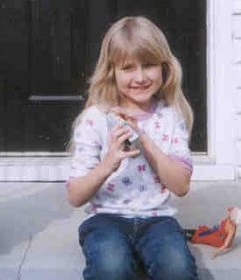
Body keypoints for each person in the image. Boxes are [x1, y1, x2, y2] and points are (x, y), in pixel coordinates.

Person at [67, 16, 198, 280]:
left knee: (178, 270)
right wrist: (109, 163)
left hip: (158, 219)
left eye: (148, 65)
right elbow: (75, 196)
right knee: (111, 269)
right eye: (128, 68)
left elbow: (181, 186)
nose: (139, 77)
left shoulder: (171, 116)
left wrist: (144, 140)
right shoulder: (96, 118)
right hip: (105, 219)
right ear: (111, 72)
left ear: (164, 67)